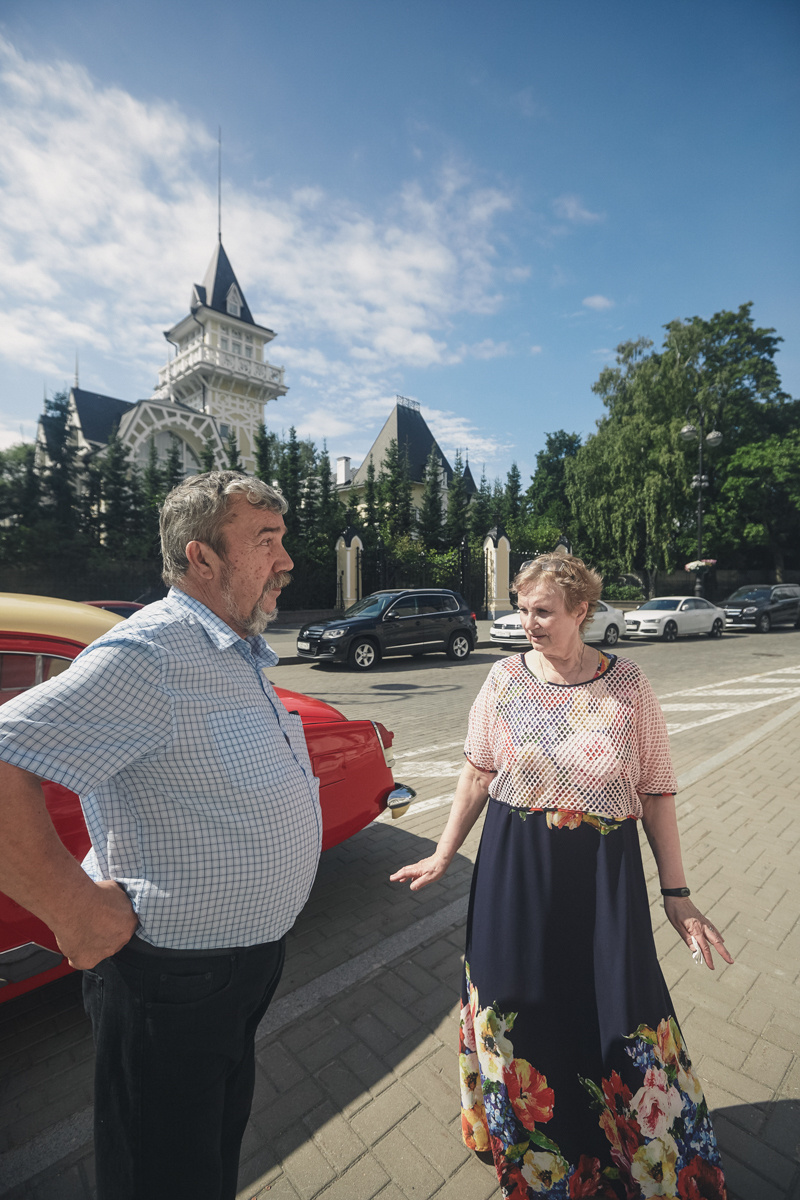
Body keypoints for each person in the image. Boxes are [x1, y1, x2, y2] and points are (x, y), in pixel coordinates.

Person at [0, 472, 322, 1200]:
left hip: (236, 975)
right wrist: (74, 911)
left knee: (205, 1159)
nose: (287, 559)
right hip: (167, 988)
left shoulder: (235, 648)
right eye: (265, 541)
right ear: (199, 557)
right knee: (161, 1177)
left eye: (283, 540)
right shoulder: (150, 655)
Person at [391, 555, 733, 1200]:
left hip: (603, 878)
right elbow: (476, 774)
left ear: (582, 612)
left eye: (543, 611)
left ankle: (635, 1156)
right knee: (515, 1005)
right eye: (522, 610)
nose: (529, 624)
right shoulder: (502, 680)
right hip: (513, 871)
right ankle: (539, 1157)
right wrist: (442, 854)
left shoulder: (628, 686)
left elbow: (656, 794)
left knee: (615, 1009)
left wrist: (678, 895)